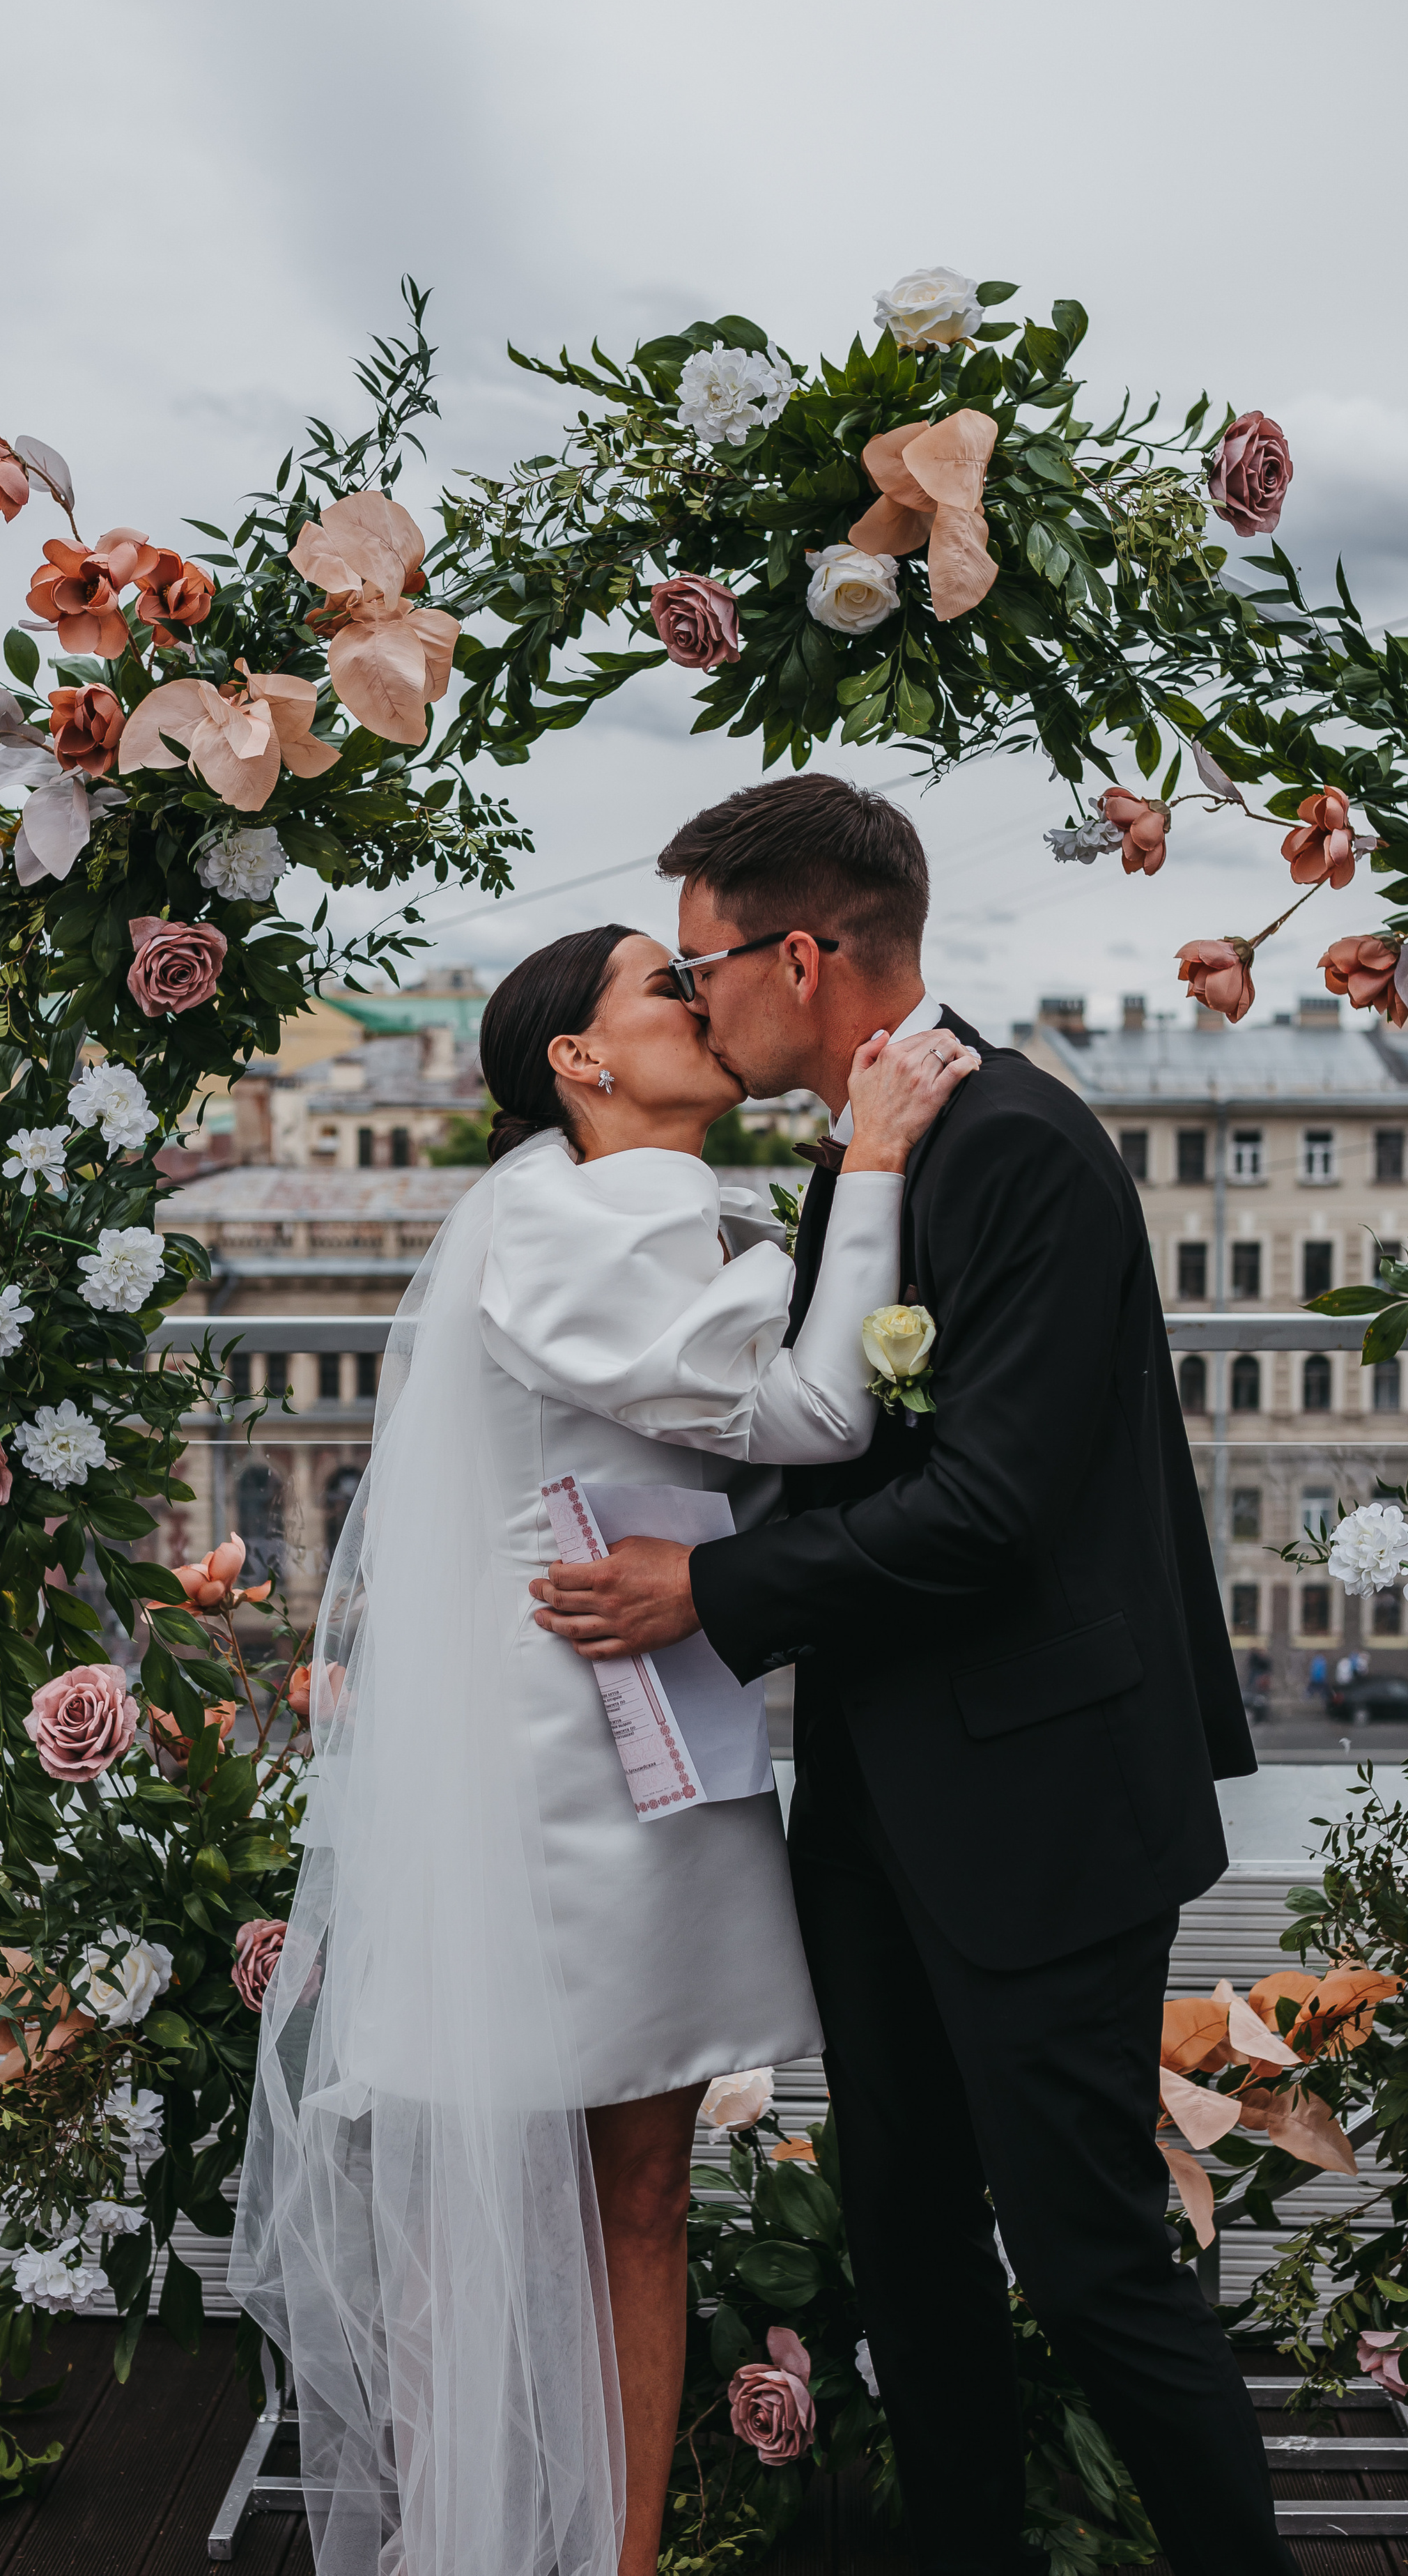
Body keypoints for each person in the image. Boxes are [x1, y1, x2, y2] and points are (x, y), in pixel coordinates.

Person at [531, 776, 1297, 2576]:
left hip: (1038, 1808)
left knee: (1096, 2261)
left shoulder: (1019, 1142)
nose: (699, 1004)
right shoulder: (873, 1156)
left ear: (803, 956)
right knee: (909, 2245)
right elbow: (834, 1435)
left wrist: (707, 1593)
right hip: (883, 1807)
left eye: (705, 964)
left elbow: (988, 1512)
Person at [229, 920, 973, 2576]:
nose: (699, 1001)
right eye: (663, 984)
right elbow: (810, 1419)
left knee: (640, 2191)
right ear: (574, 1059)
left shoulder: (642, 1208)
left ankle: (616, 2555)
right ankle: (469, 2544)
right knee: (499, 2199)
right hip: (550, 1751)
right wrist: (866, 1166)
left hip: (652, 1719)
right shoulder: (559, 1210)